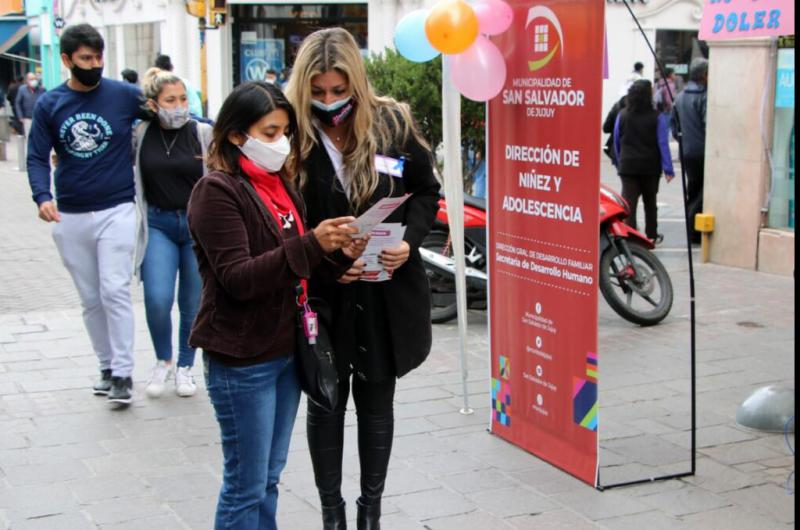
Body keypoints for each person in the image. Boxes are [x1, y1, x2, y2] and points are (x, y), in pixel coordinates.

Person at [187, 80, 365, 529]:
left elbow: (293, 266)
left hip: (286, 349)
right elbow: (239, 277)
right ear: (234, 135)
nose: (280, 143)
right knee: (245, 486)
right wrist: (312, 243)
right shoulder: (217, 191)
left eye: (284, 131)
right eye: (268, 132)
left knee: (268, 477)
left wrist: (337, 255)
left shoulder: (281, 187)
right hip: (243, 358)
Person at [286, 27, 441, 530]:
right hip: (322, 293)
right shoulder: (289, 131)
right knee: (325, 400)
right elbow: (278, 213)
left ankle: (369, 512)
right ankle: (331, 513)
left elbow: (424, 191)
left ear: (356, 80)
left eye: (339, 90)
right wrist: (320, 248)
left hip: (385, 290)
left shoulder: (391, 122)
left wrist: (409, 242)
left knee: (377, 400)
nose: (330, 102)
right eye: (319, 92)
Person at [26, 24, 147, 406]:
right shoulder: (50, 104)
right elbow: (35, 156)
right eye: (85, 59)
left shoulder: (124, 95)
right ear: (67, 60)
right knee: (91, 298)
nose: (94, 65)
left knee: (114, 289)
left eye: (99, 58)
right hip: (71, 213)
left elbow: (168, 115)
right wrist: (42, 196)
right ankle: (108, 366)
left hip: (117, 207)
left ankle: (125, 374)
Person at [134, 67, 212, 398]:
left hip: (196, 226)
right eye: (170, 100)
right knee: (157, 298)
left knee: (192, 303)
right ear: (154, 104)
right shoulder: (139, 134)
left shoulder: (202, 132)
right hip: (158, 223)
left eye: (183, 98)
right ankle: (162, 360)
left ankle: (184, 366)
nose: (179, 105)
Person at [614, 80, 674, 245]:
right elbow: (663, 143)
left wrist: (620, 161)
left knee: (629, 204)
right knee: (650, 202)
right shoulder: (657, 117)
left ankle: (631, 236)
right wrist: (668, 169)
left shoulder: (623, 115)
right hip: (650, 167)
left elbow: (617, 141)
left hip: (628, 166)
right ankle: (652, 234)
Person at [671, 58, 708, 245]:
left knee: (693, 189)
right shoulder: (704, 96)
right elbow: (708, 124)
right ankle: (693, 231)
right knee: (700, 191)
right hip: (702, 151)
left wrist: (684, 141)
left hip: (686, 151)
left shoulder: (680, 97)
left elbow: (673, 126)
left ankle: (690, 228)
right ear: (704, 76)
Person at [15, 72, 45, 138]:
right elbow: (18, 103)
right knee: (29, 137)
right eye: (31, 79)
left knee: (40, 137)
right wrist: (20, 116)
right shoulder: (22, 89)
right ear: (27, 81)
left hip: (40, 118)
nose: (34, 81)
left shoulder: (42, 90)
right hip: (27, 118)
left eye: (35, 79)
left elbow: (46, 102)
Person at [602, 94, 626, 167]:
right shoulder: (651, 111)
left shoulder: (617, 107)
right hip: (644, 158)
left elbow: (606, 128)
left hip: (618, 152)